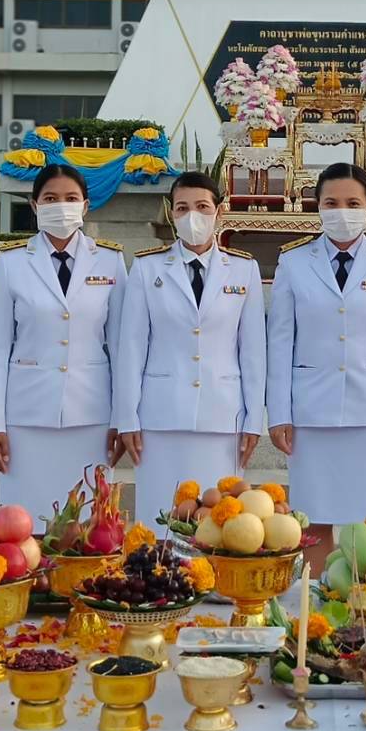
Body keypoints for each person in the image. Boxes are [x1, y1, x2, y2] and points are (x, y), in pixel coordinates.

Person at [267, 163, 366, 572]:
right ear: (316, 206)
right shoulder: (294, 263)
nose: (342, 211)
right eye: (331, 202)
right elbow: (280, 342)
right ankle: (312, 606)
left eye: (353, 202)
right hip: (311, 413)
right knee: (313, 520)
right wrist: (278, 412)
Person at [112, 172, 265, 524]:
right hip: (160, 415)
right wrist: (127, 416)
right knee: (160, 519)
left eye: (201, 206)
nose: (192, 216)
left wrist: (254, 419)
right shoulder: (148, 267)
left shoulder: (243, 269)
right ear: (171, 213)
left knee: (216, 522)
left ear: (219, 212)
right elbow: (132, 348)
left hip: (222, 416)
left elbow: (253, 352)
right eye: (182, 208)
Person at [0, 164, 127, 516]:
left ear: (86, 206)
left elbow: (123, 348)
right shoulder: (12, 263)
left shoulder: (109, 260)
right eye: (50, 198)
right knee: (25, 522)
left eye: (70, 198)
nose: (61, 205)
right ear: (34, 205)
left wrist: (124, 417)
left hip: (92, 415)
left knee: (87, 526)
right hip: (26, 416)